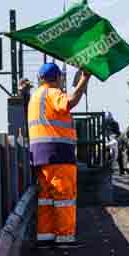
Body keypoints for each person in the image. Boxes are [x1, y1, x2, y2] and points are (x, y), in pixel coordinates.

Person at [28, 63, 90, 245]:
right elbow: (69, 102)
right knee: (64, 197)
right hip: (58, 154)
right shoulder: (52, 92)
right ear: (56, 78)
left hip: (40, 155)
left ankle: (45, 236)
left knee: (46, 198)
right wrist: (84, 79)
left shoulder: (35, 96)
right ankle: (65, 238)